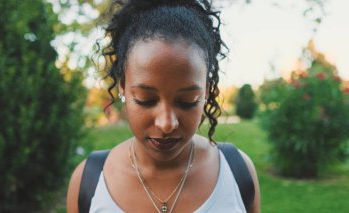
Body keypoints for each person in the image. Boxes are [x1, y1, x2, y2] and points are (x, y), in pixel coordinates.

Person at [67, 0, 260, 212]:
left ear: (206, 91)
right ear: (122, 87)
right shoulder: (88, 181)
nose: (167, 124)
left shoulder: (238, 173)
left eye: (187, 101)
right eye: (145, 99)